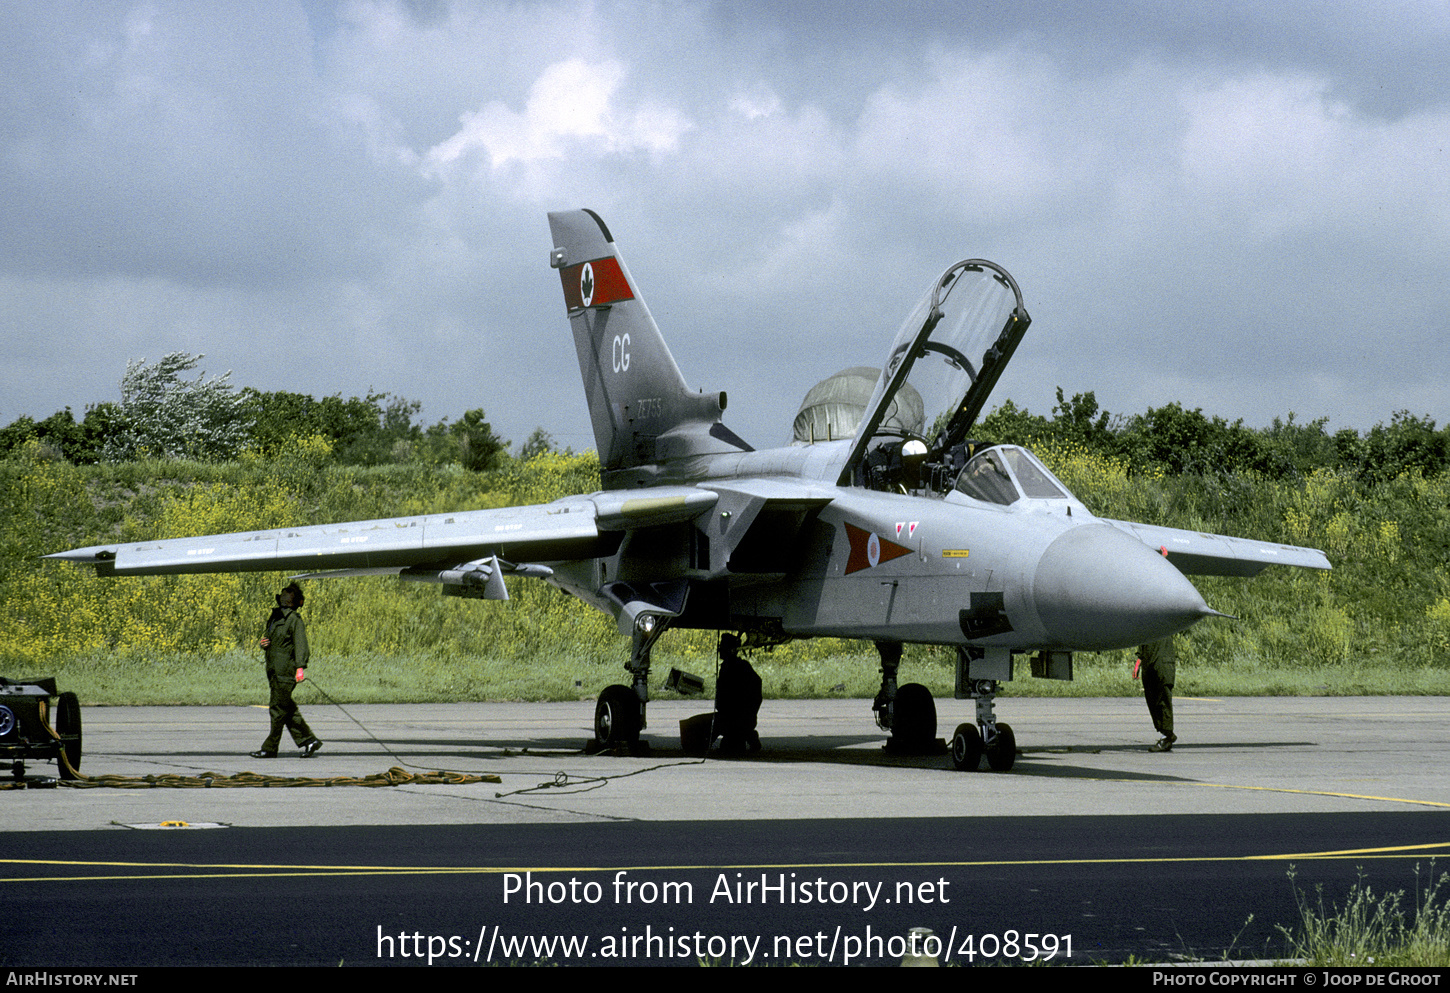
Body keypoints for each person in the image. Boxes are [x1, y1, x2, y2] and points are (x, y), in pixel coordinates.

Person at [250, 582, 322, 758]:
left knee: (277, 709)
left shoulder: (294, 620)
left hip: (286, 672)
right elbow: (269, 639)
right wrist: (264, 644)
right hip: (274, 669)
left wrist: (300, 668)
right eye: (283, 596)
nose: (284, 599)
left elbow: (301, 646)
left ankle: (270, 748)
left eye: (288, 597)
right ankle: (309, 740)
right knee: (286, 709)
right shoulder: (275, 617)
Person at [1137, 636, 1176, 752]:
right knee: (1151, 698)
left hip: (1162, 662)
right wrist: (1139, 660)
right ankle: (1166, 732)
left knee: (1163, 699)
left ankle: (1167, 735)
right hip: (1149, 661)